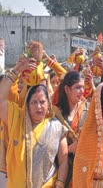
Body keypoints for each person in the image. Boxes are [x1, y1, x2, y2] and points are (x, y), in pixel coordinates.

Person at [0, 58, 69, 187]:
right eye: (34, 102)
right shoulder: (17, 118)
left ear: (48, 104)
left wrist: (59, 184)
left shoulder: (56, 126)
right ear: (27, 105)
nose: (39, 106)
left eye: (42, 102)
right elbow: (1, 98)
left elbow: (64, 160)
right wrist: (17, 70)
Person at [53, 70, 88, 187]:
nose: (82, 91)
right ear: (67, 89)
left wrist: (80, 145)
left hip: (84, 168)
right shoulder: (56, 113)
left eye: (83, 87)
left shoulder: (87, 110)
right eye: (78, 87)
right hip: (60, 169)